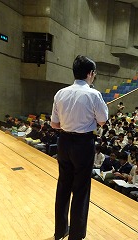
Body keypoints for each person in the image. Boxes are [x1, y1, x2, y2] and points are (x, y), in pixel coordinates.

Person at [50, 55, 108, 240]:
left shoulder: (60, 93)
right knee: (81, 189)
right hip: (83, 144)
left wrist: (69, 125)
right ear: (90, 74)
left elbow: (54, 124)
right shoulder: (93, 94)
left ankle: (60, 231)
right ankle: (75, 235)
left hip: (64, 142)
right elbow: (102, 121)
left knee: (63, 186)